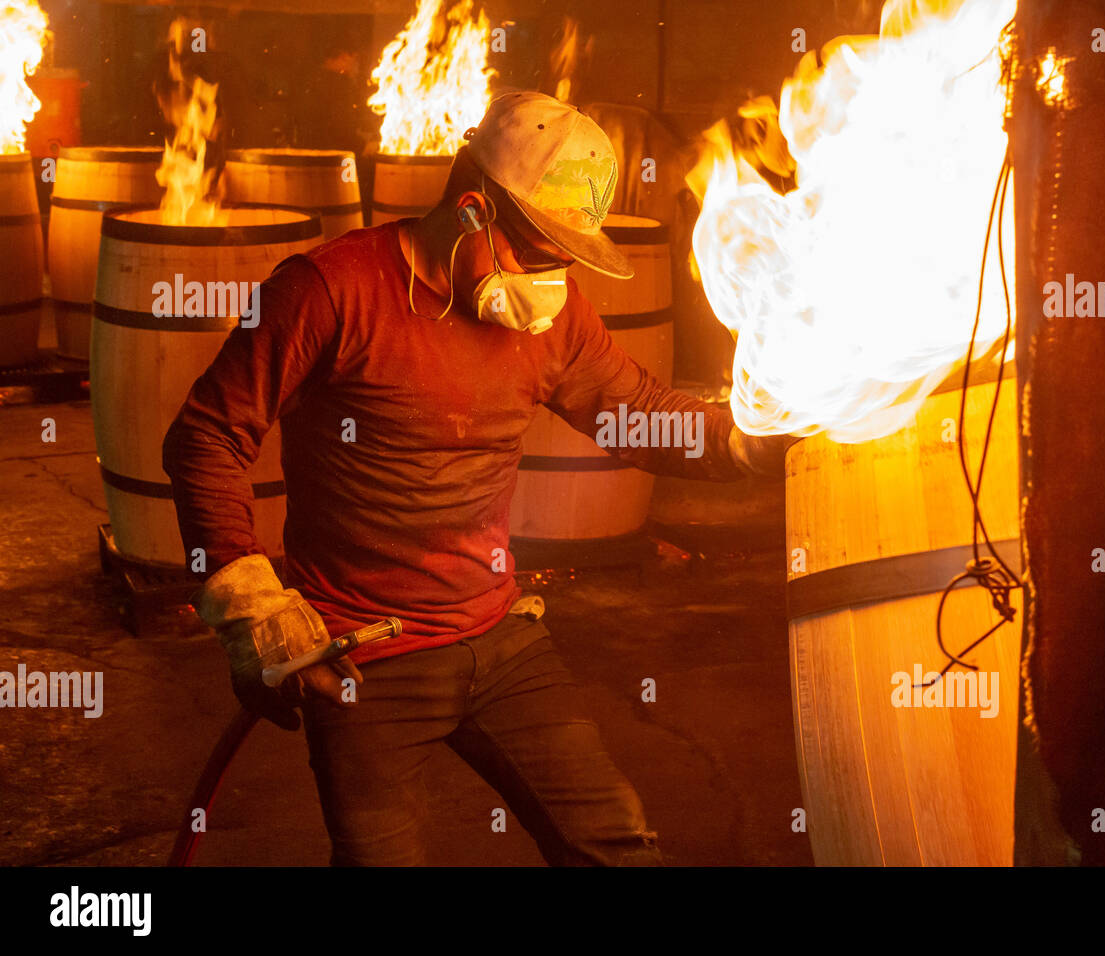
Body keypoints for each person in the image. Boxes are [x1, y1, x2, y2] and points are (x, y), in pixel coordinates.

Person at [162, 91, 790, 866]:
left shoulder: (552, 320)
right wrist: (251, 609)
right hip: (365, 660)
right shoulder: (330, 291)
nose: (551, 281)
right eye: (537, 252)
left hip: (500, 641)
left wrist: (755, 440)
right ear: (469, 210)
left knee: (618, 845)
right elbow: (207, 435)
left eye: (566, 256)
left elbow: (637, 413)